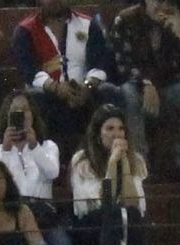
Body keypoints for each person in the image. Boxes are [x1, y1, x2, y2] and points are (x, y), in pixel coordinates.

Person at [109, 0, 180, 181]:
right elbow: (122, 65)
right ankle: (139, 163)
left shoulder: (177, 22)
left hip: (167, 89)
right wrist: (145, 83)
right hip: (136, 88)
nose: (162, 5)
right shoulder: (125, 20)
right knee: (127, 93)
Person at [10, 0, 117, 157]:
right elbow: (28, 70)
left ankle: (109, 156)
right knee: (34, 97)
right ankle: (45, 159)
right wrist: (55, 87)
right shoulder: (25, 30)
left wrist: (87, 88)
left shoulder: (88, 24)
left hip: (83, 92)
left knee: (108, 91)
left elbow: (99, 64)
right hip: (47, 94)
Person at [68, 100, 147, 245]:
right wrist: (112, 164)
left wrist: (123, 161)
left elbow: (134, 203)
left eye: (120, 129)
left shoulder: (135, 160)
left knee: (132, 216)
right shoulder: (81, 160)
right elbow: (102, 203)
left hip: (125, 221)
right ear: (98, 134)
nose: (117, 134)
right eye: (110, 129)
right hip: (92, 224)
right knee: (113, 216)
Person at [0, 90, 60, 204]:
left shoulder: (48, 146)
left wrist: (34, 147)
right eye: (15, 110)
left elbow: (53, 173)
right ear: (7, 115)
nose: (21, 114)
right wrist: (6, 151)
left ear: (32, 113)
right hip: (8, 209)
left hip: (41, 209)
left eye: (25, 109)